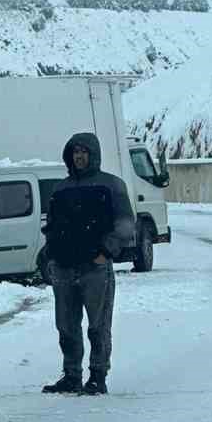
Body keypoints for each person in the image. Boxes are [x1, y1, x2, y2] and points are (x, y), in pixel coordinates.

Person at [42, 131, 135, 396]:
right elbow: (52, 225)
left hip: (95, 268)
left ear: (93, 154)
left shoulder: (111, 185)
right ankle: (71, 375)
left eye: (83, 151)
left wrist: (106, 252)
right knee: (66, 326)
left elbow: (126, 224)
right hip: (63, 267)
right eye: (75, 152)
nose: (79, 156)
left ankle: (97, 375)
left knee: (98, 326)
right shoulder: (60, 189)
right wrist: (50, 255)